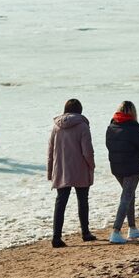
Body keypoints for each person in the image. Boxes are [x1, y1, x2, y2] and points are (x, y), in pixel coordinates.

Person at [47, 98, 96, 247]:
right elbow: (87, 151)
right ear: (80, 110)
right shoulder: (83, 126)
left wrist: (50, 171)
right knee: (83, 201)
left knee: (60, 202)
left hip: (61, 169)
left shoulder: (56, 127)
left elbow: (50, 151)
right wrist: (91, 165)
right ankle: (85, 233)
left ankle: (56, 237)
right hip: (80, 168)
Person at [105, 100, 139, 244]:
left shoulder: (111, 127)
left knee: (129, 195)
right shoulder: (134, 129)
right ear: (133, 113)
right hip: (132, 168)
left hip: (117, 168)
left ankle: (132, 228)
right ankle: (116, 231)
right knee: (126, 197)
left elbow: (109, 146)